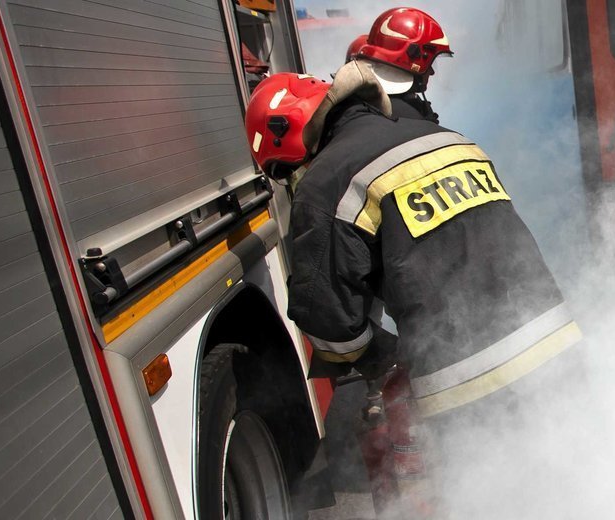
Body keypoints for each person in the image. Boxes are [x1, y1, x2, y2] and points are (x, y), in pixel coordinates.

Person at [245, 64, 582, 513]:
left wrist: (381, 355)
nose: (293, 180)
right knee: (574, 480)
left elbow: (329, 322)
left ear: (286, 141)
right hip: (556, 341)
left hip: (468, 380)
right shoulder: (444, 138)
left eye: (285, 172)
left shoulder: (327, 180)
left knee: (500, 501)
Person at [347, 7, 452, 123]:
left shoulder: (347, 108)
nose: (432, 72)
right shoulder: (411, 118)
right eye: (430, 63)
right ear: (415, 57)